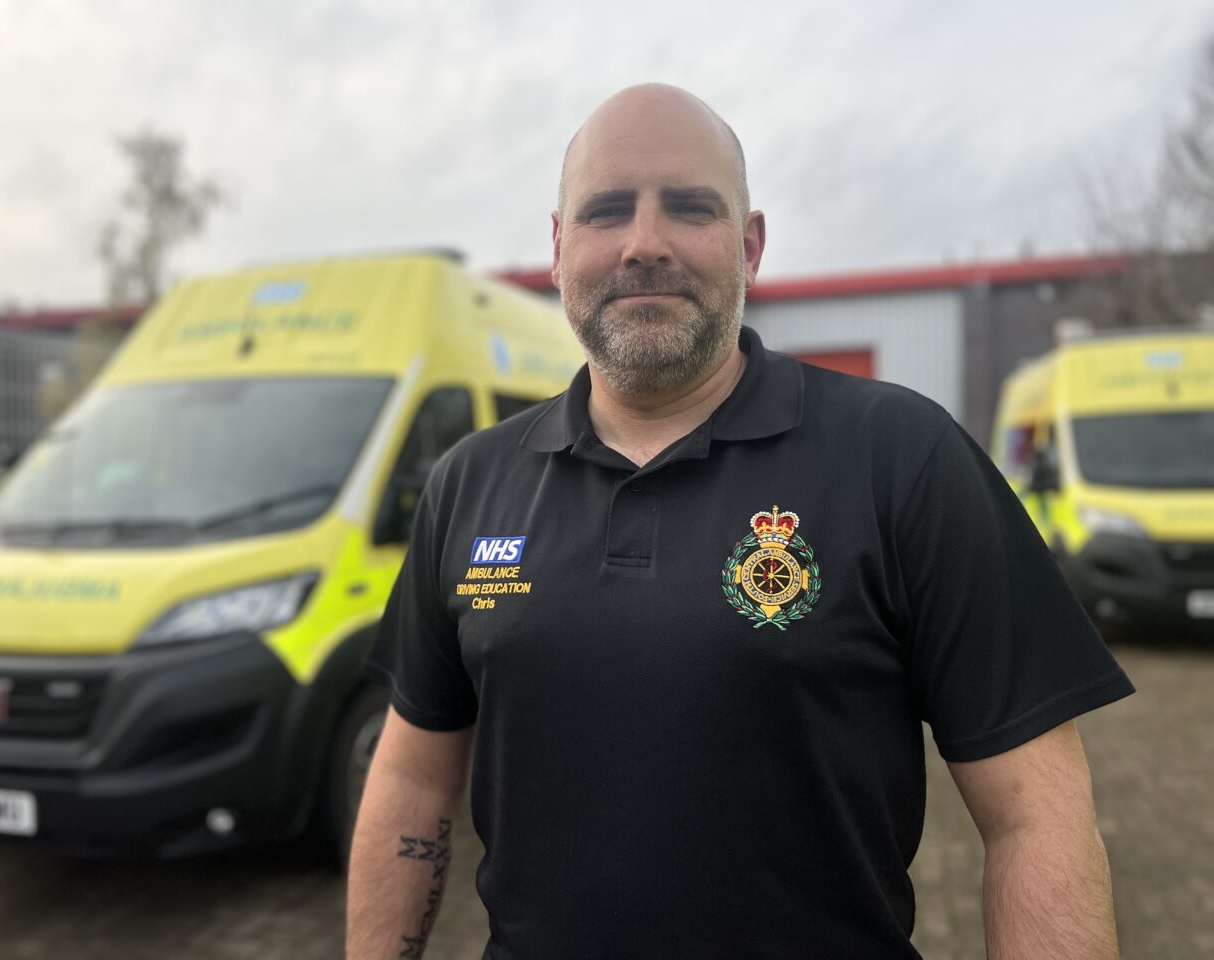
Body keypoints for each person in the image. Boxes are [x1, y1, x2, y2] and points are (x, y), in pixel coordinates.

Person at [347, 84, 1133, 959]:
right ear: (560, 248)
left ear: (750, 246)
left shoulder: (903, 458)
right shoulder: (470, 482)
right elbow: (412, 781)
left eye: (690, 207)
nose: (645, 243)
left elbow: (1035, 820)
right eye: (608, 211)